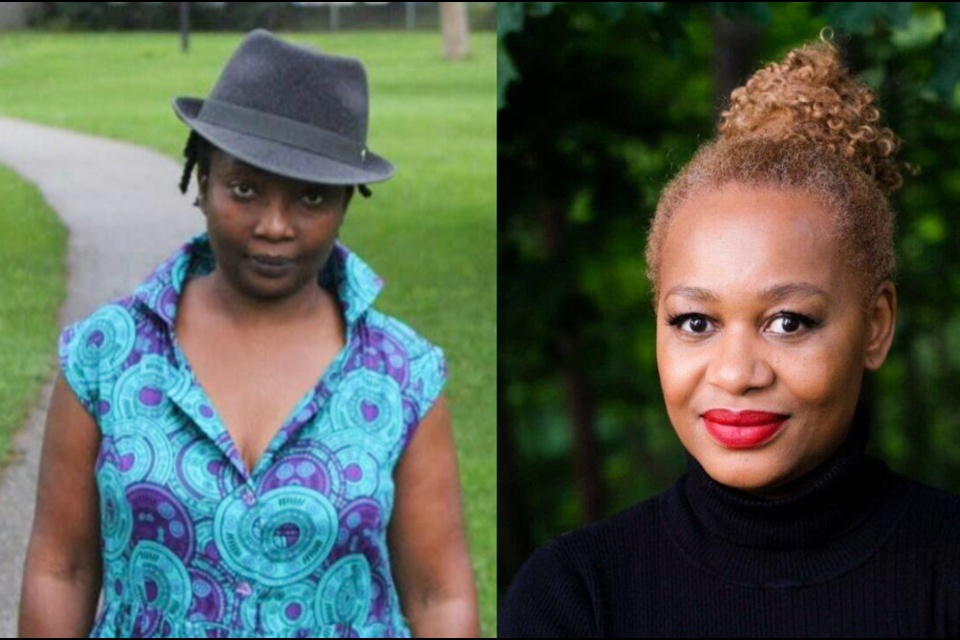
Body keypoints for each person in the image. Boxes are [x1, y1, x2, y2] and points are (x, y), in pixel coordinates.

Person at [498, 28, 960, 638]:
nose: (737, 373)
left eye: (787, 322)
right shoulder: (575, 594)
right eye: (696, 322)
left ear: (876, 326)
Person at [18, 29, 479, 638]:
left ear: (346, 201)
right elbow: (63, 567)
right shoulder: (108, 354)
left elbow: (436, 592)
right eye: (244, 188)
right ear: (201, 177)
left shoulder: (400, 373)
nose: (274, 225)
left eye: (311, 197)